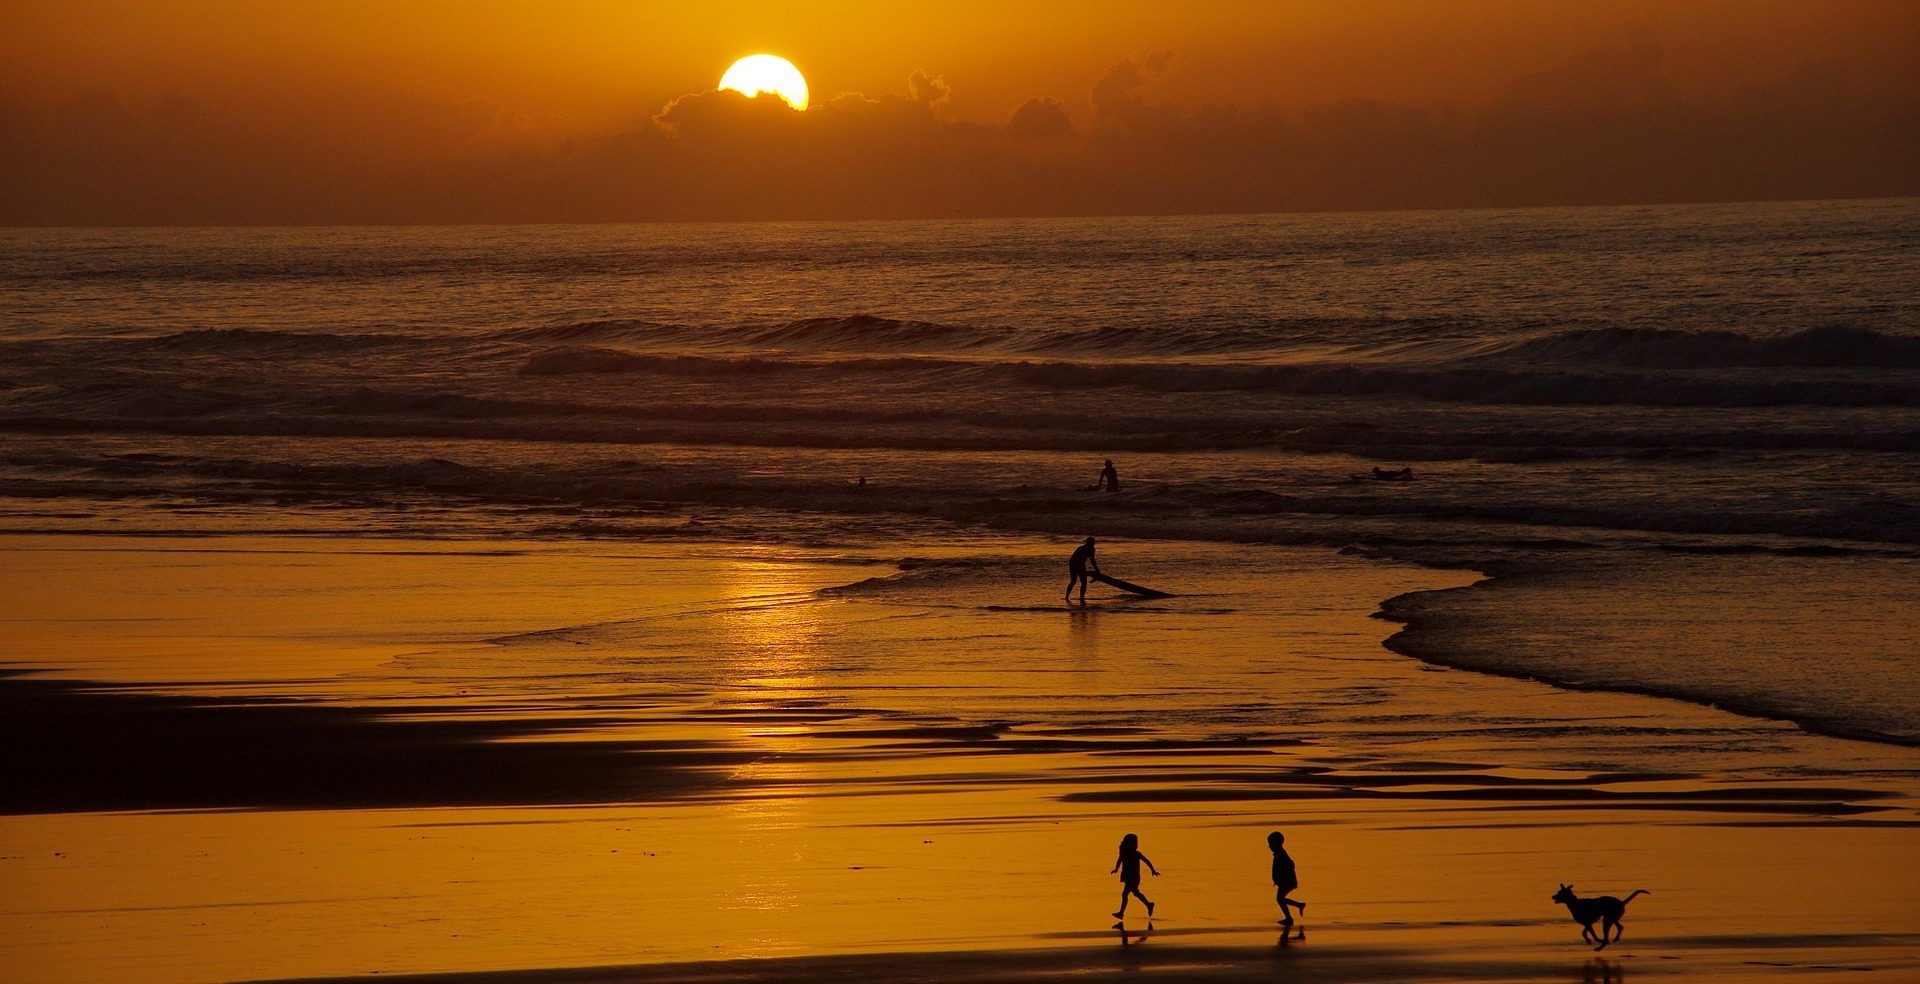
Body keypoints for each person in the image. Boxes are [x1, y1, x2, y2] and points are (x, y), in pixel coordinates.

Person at [1110, 833, 1159, 921]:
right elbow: (1119, 861)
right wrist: (1116, 869)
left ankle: (1121, 913)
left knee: (1125, 894)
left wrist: (1153, 870)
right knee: (1135, 893)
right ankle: (1149, 904)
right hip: (1127, 875)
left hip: (1134, 876)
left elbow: (1146, 861)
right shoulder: (1124, 853)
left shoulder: (1136, 854)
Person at [1269, 831, 1307, 925]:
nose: (1269, 846)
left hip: (1286, 881)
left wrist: (1284, 877)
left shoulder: (1280, 854)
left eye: (1271, 844)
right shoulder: (1279, 853)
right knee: (1280, 899)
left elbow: (1290, 864)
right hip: (1284, 881)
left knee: (1280, 899)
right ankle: (1296, 908)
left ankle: (1290, 917)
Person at [1065, 536, 1099, 603]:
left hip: (1081, 565)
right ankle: (1066, 597)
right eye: (1091, 543)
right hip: (1073, 564)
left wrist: (1096, 569)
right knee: (1073, 581)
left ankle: (1081, 597)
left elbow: (1092, 560)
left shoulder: (1092, 549)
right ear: (1087, 543)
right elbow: (1074, 559)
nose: (1092, 544)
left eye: (1093, 543)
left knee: (1084, 582)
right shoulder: (1081, 548)